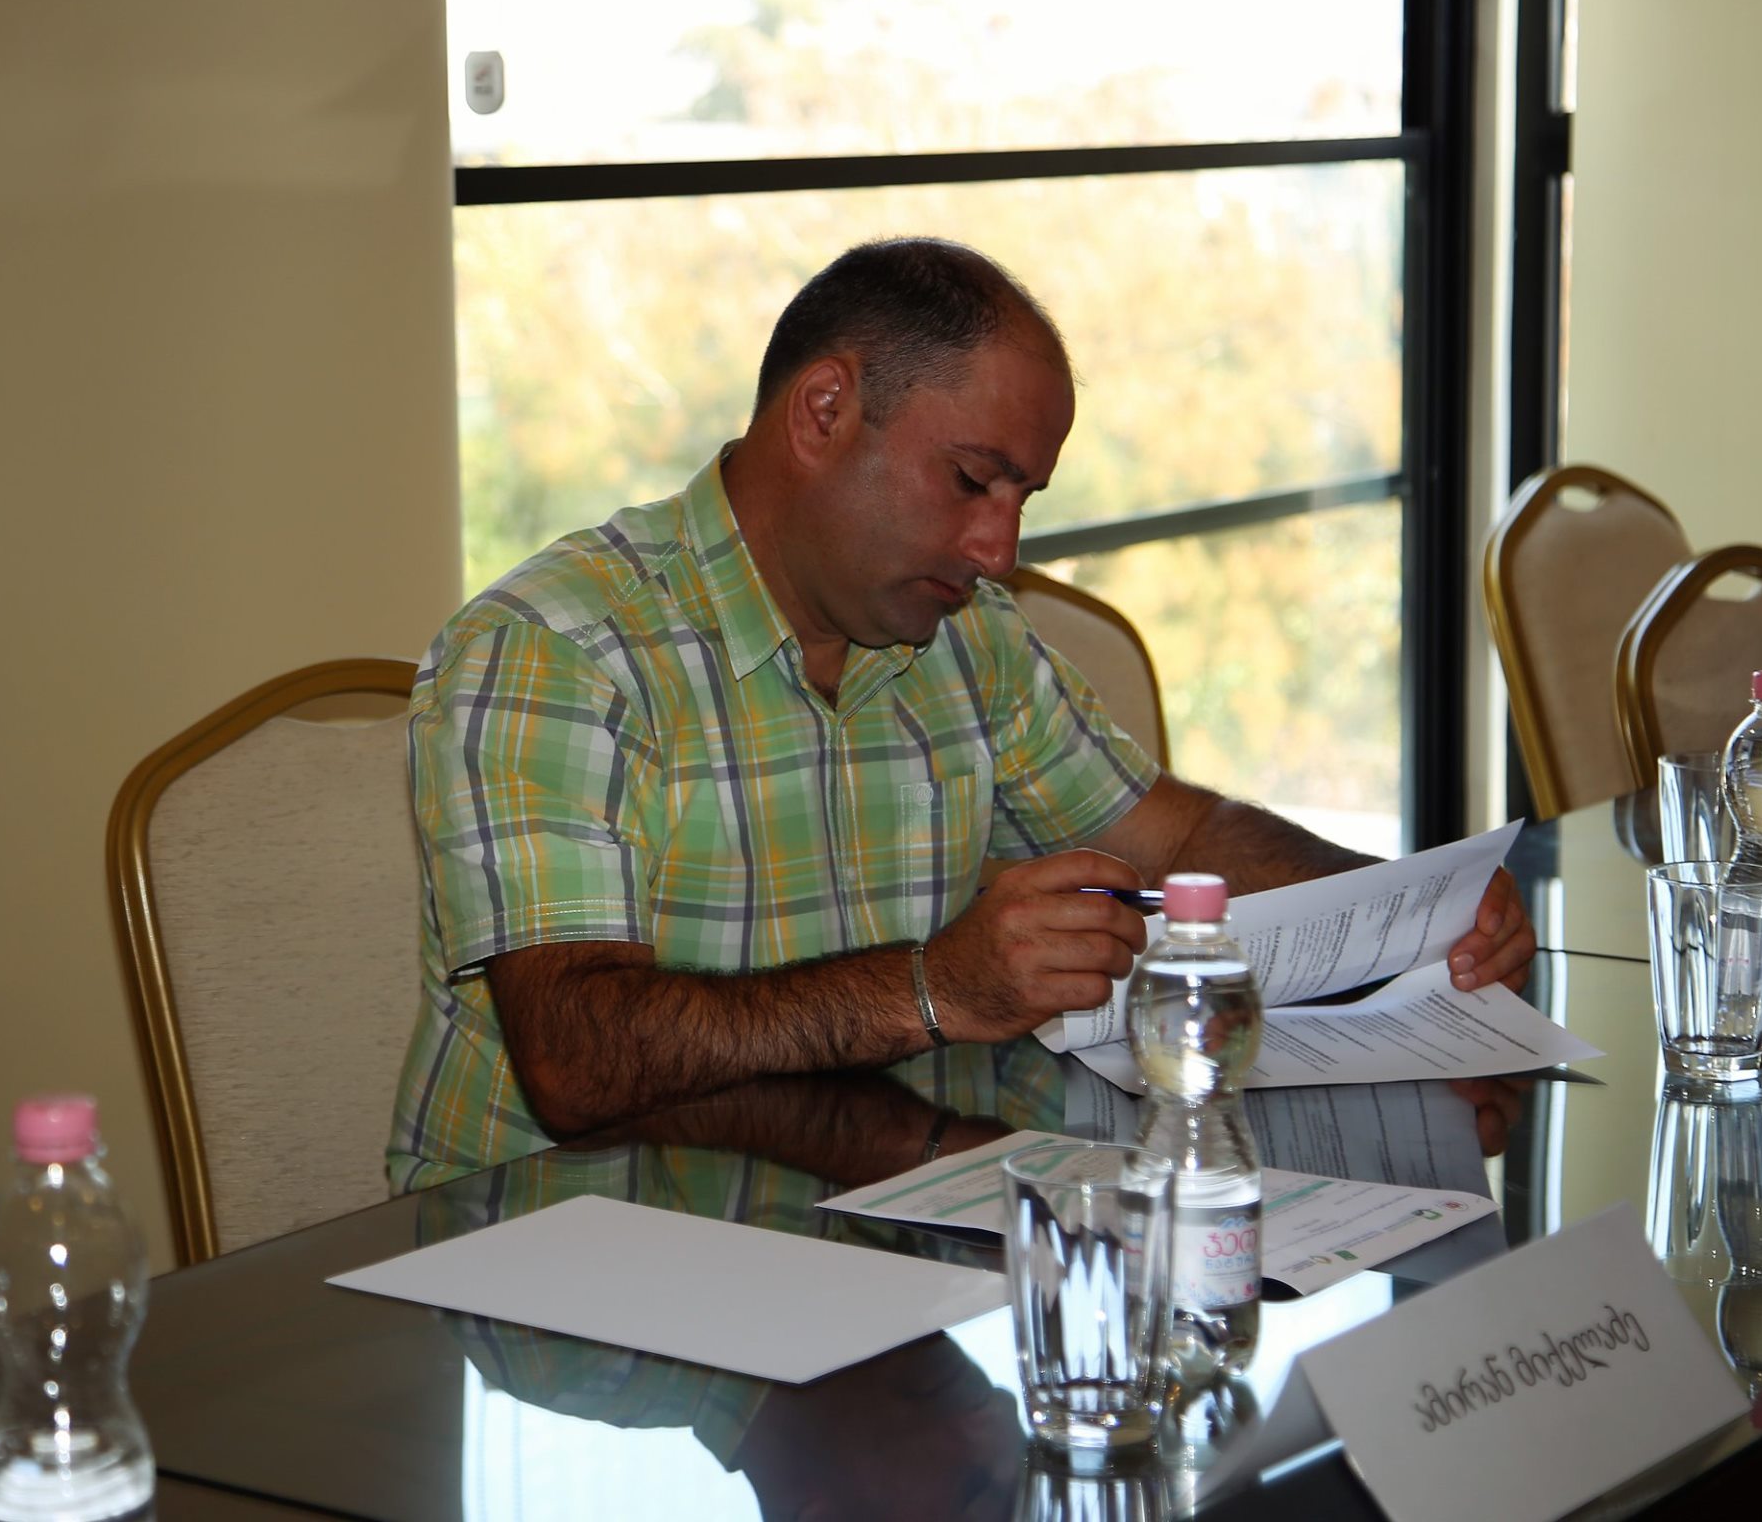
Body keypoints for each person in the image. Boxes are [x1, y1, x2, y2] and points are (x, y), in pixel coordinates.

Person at [389, 238, 1534, 1189]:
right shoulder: (556, 649)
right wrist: (937, 987)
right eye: (971, 480)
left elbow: (1175, 837)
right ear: (824, 411)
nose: (998, 549)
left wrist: (1409, 908)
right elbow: (575, 1062)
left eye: (1022, 497)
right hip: (564, 1273)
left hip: (890, 1227)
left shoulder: (963, 638)